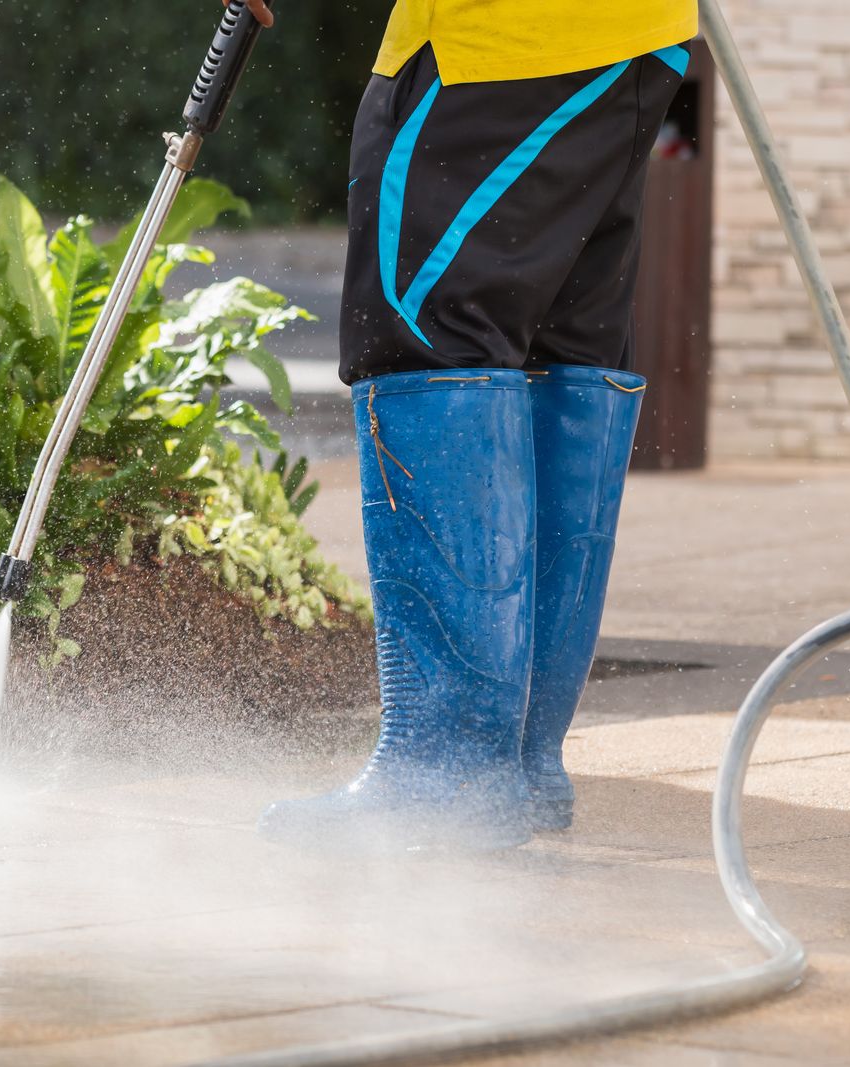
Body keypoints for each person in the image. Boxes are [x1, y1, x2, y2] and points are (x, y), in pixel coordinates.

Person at [238, 0, 698, 848]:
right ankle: (514, 770)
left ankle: (445, 770)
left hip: (499, 47)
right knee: (554, 353)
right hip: (629, 42)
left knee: (428, 335)